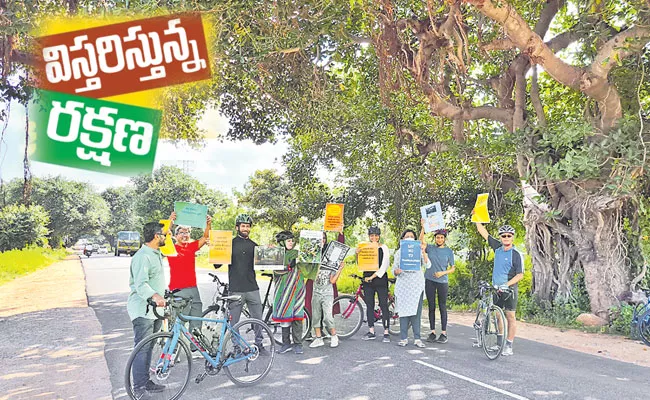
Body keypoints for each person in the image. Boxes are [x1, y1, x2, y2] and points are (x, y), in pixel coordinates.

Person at [214, 213, 268, 355]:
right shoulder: (229, 244)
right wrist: (215, 248)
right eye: (243, 226)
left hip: (252, 288)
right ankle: (236, 347)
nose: (245, 228)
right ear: (237, 227)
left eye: (248, 226)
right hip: (236, 289)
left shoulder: (254, 246)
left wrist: (270, 251)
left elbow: (264, 265)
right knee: (235, 322)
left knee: (258, 319)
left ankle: (259, 344)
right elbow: (217, 264)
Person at [126, 222, 168, 396]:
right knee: (142, 348)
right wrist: (155, 296)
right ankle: (138, 389)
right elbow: (140, 284)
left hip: (155, 310)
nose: (166, 236)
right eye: (164, 234)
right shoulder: (143, 256)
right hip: (143, 309)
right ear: (157, 236)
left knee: (149, 347)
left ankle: (146, 382)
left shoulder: (155, 253)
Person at [475, 222, 523, 356]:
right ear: (501, 238)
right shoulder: (497, 248)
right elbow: (483, 232)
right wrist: (476, 217)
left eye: (508, 236)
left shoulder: (516, 254)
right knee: (497, 316)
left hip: (509, 290)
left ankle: (509, 345)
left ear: (512, 237)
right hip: (496, 289)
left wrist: (507, 284)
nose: (506, 238)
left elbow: (520, 274)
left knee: (510, 316)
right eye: (503, 236)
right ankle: (499, 343)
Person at [167, 212, 212, 346]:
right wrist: (170, 220)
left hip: (193, 288)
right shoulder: (171, 248)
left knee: (196, 316)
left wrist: (208, 224)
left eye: (187, 232)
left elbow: (205, 237)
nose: (185, 235)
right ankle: (172, 350)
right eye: (181, 232)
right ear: (175, 236)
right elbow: (164, 234)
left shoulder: (191, 247)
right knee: (176, 321)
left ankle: (195, 345)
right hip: (178, 289)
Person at [272, 231, 314, 354]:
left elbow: (308, 266)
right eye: (288, 241)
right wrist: (289, 266)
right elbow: (275, 271)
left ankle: (298, 344)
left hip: (297, 289)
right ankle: (286, 344)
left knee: (297, 316)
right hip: (283, 290)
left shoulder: (298, 254)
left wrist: (313, 254)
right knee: (285, 317)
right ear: (282, 242)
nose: (291, 243)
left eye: (292, 241)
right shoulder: (276, 254)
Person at [392, 229, 430, 347]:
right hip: (403, 285)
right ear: (402, 239)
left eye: (412, 236)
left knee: (416, 313)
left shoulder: (418, 251)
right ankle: (404, 338)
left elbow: (428, 265)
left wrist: (423, 252)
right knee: (403, 313)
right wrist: (396, 272)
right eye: (407, 236)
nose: (409, 238)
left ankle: (417, 338)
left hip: (416, 285)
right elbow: (394, 269)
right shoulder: (399, 253)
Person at [419, 222, 456, 344]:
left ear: (444, 239)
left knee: (442, 306)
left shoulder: (449, 251)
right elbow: (421, 242)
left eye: (441, 237)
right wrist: (423, 227)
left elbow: (453, 268)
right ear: (435, 238)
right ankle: (432, 332)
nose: (439, 239)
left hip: (442, 281)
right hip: (429, 280)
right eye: (437, 237)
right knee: (431, 306)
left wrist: (442, 273)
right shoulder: (431, 248)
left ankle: (444, 333)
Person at [310, 232, 344, 349]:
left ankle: (334, 336)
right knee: (316, 316)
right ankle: (318, 338)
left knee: (328, 317)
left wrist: (340, 269)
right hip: (316, 291)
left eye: (324, 238)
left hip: (327, 292)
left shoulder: (332, 259)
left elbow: (333, 280)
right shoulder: (313, 256)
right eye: (320, 239)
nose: (322, 240)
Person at [358, 226, 391, 342]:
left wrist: (372, 276)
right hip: (367, 280)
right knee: (369, 305)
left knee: (383, 304)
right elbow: (360, 263)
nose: (374, 238)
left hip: (380, 279)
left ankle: (386, 332)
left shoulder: (384, 248)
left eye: (376, 235)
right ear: (369, 236)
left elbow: (385, 265)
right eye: (372, 235)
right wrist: (358, 254)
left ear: (379, 236)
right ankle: (371, 330)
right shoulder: (365, 247)